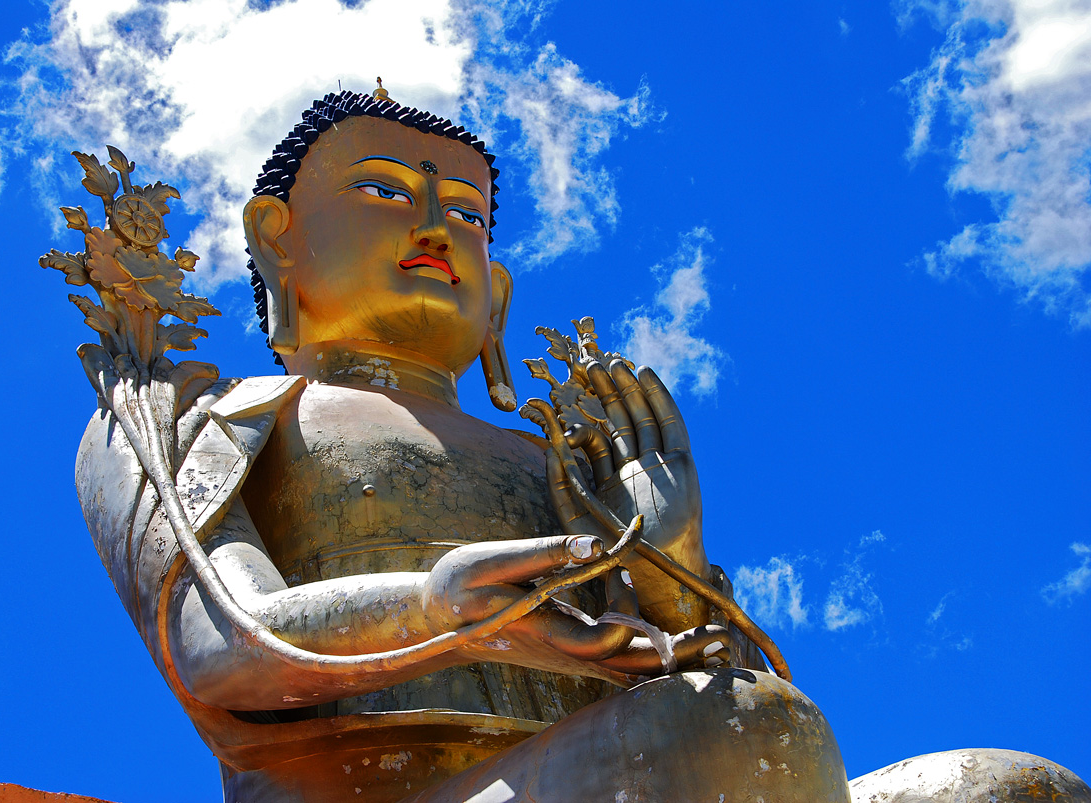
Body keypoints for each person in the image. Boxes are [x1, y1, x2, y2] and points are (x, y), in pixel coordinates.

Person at [73, 88, 849, 802]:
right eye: (384, 190)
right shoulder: (197, 415)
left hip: (614, 760)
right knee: (730, 732)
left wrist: (670, 564)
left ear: (497, 294)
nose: (438, 227)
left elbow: (748, 711)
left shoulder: (564, 468)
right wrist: (437, 607)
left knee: (961, 777)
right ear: (277, 241)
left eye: (469, 216)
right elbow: (222, 642)